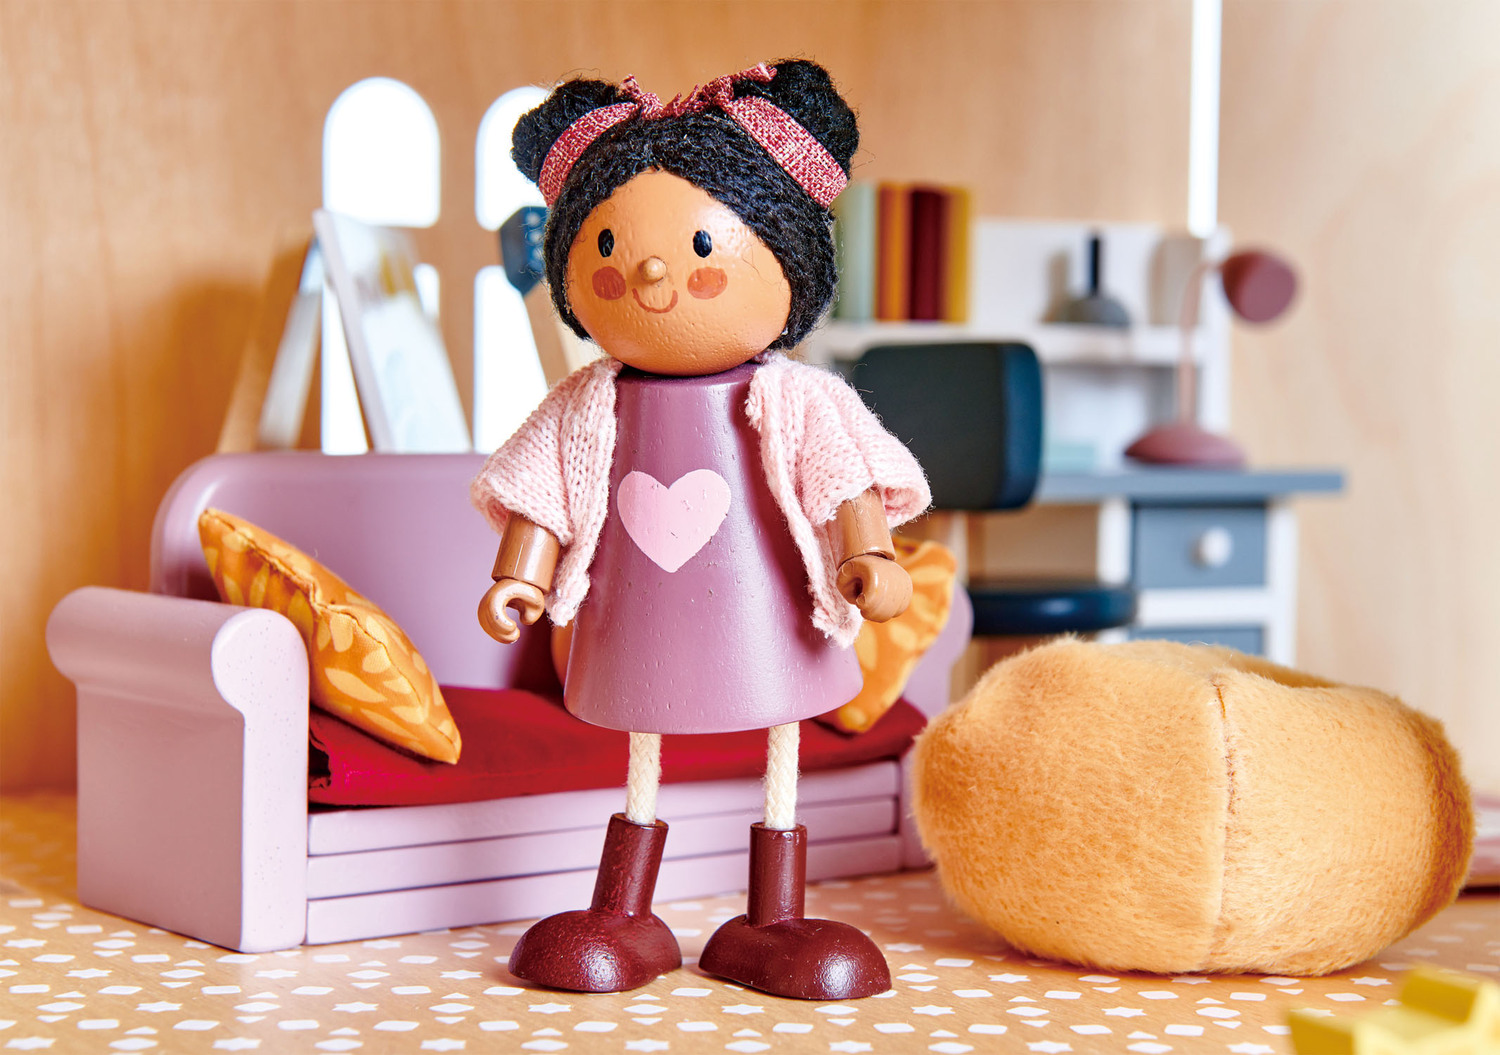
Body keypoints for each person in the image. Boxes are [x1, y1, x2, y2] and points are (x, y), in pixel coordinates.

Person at [471, 60, 929, 999]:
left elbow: (841, 477)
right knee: (641, 747)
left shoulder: (798, 399)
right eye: (608, 242)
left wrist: (868, 554)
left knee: (779, 744)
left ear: (787, 258)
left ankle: (776, 918)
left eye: (700, 243)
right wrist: (520, 572)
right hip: (636, 611)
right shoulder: (588, 402)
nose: (647, 270)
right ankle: (623, 911)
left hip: (768, 609)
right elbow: (542, 490)